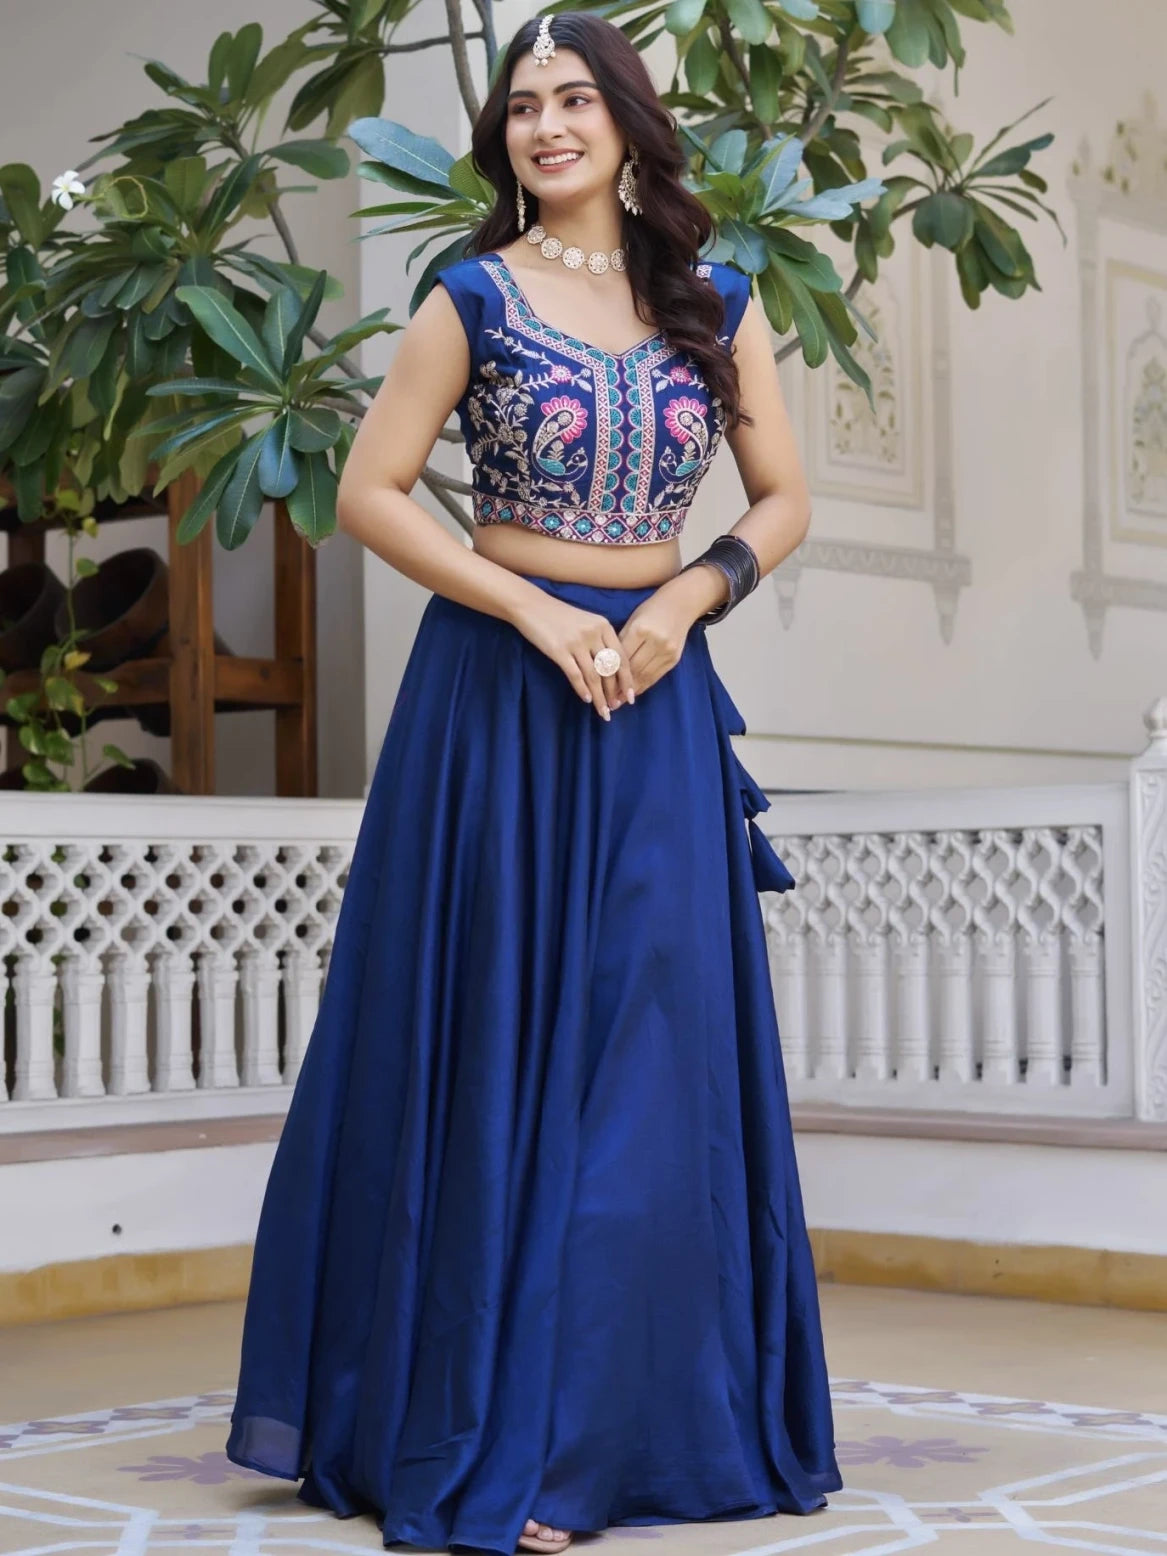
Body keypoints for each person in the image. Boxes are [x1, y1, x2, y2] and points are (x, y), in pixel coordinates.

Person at [224, 10, 842, 1555]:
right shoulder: (473, 295)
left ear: (631, 119)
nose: (547, 124)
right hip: (500, 699)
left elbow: (784, 498)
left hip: (657, 703)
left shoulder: (718, 299)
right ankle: (522, 1442)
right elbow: (371, 491)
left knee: (651, 1059)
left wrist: (686, 600)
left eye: (576, 99)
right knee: (502, 1049)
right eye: (524, 107)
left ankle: (628, 1424)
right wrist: (539, 610)